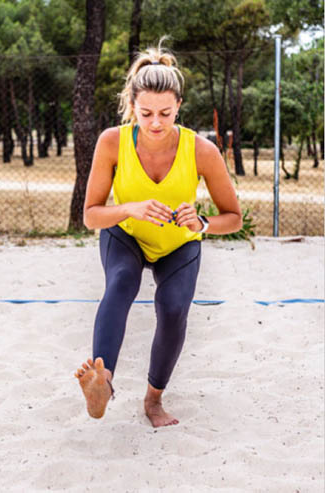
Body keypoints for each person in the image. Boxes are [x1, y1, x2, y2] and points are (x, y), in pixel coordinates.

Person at [75, 43, 241, 428]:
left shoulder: (202, 150)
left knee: (173, 309)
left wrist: (201, 223)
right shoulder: (112, 142)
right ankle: (103, 382)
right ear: (132, 105)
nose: (155, 122)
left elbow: (233, 218)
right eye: (146, 112)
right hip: (127, 235)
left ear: (179, 105)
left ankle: (153, 401)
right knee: (120, 283)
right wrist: (130, 208)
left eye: (165, 113)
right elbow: (90, 216)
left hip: (178, 243)